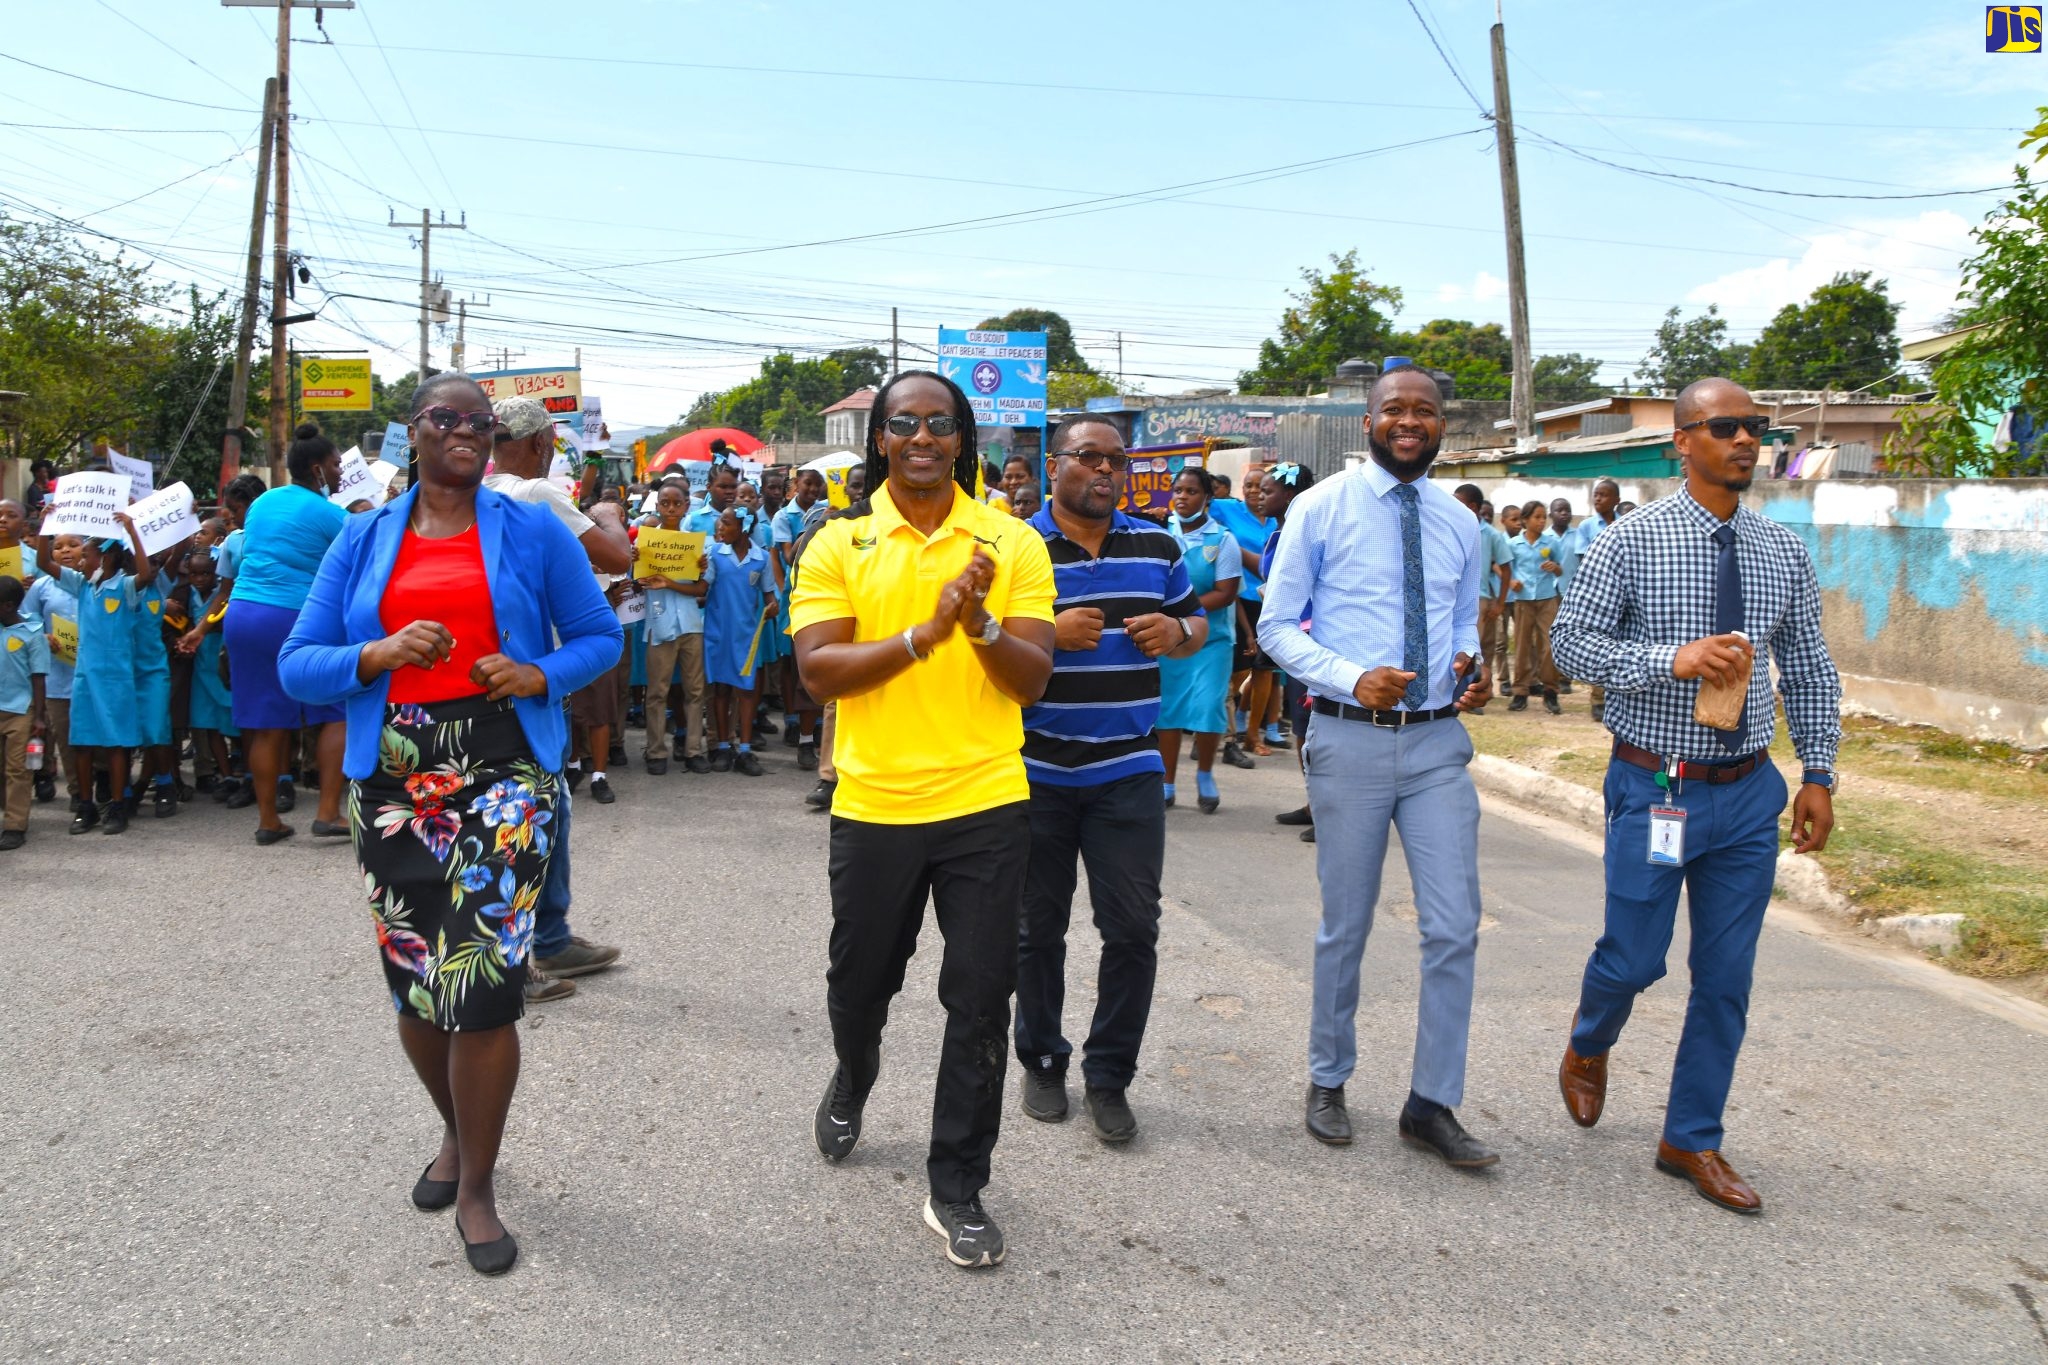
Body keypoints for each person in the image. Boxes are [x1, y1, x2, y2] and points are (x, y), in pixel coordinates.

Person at [278, 372, 622, 1276]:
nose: (466, 431)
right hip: (391, 780)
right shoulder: (361, 537)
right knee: (417, 986)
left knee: (483, 984)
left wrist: (538, 672)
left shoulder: (533, 526)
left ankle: (478, 1182)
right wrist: (377, 652)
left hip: (503, 774)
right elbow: (299, 664)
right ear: (414, 433)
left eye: (480, 421)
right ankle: (455, 1132)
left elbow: (598, 635)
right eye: (446, 418)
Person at [1551, 378, 1840, 1217]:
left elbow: (1812, 669)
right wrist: (1670, 659)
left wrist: (1818, 770)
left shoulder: (1783, 550)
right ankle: (1589, 1039)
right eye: (1726, 427)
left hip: (1748, 790)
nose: (1745, 440)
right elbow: (1572, 643)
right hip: (1657, 785)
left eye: (1755, 427)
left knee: (1725, 976)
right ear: (1682, 441)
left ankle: (1691, 1137)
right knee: (1636, 958)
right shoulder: (1629, 541)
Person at [791, 369, 1055, 1270]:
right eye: (903, 423)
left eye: (939, 424)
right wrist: (922, 635)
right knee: (860, 984)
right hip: (874, 804)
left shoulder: (1012, 540)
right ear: (880, 440)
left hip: (986, 801)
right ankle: (853, 1074)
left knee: (981, 998)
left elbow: (1033, 678)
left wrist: (978, 624)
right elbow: (820, 673)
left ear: (962, 439)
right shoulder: (839, 543)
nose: (921, 437)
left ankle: (958, 1183)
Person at [1258, 368, 1500, 1170]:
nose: (1408, 422)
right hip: (1350, 736)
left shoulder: (1458, 521)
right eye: (1394, 409)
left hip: (1435, 745)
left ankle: (1431, 1101)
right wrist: (1347, 674)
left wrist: (1466, 655)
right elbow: (1275, 628)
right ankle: (1328, 1077)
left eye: (1424, 411)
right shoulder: (1319, 506)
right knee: (1347, 922)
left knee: (1453, 924)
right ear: (1368, 419)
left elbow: (1463, 613)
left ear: (1441, 425)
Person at [1017, 417, 1206, 1142]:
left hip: (1128, 767)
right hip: (1034, 768)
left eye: (1115, 460)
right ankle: (1040, 1058)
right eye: (1088, 457)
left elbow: (1191, 624)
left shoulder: (1158, 543)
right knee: (1037, 928)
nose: (1104, 470)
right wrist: (1047, 634)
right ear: (1054, 464)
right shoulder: (1017, 546)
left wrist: (1177, 634)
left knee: (1132, 930)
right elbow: (981, 640)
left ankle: (1109, 1075)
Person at [486, 394, 633, 997]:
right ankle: (511, 960)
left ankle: (548, 939)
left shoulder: (481, 491)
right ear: (543, 444)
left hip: (497, 666)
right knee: (522, 816)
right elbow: (615, 554)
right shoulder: (537, 494)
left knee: (545, 809)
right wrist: (612, 514)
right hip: (530, 673)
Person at [224, 424, 349, 844]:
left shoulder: (261, 504)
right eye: (335, 465)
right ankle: (329, 813)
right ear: (317, 469)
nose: (339, 473)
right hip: (294, 618)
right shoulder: (332, 514)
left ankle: (268, 821)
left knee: (265, 723)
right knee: (336, 711)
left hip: (242, 613)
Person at [33, 515, 158, 835]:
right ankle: (86, 806)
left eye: (86, 554)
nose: (80, 560)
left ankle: (117, 805)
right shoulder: (82, 586)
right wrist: (46, 526)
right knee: (83, 743)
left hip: (116, 680)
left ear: (104, 558)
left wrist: (132, 531)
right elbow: (44, 562)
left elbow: (145, 573)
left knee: (117, 744)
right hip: (85, 678)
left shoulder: (126, 587)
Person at [1156, 468, 1241, 813]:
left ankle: (1205, 774)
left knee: (1207, 707)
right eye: (1178, 490)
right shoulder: (1160, 534)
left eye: (1191, 491)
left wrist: (1182, 611)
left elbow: (1226, 593)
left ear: (1207, 498)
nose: (1182, 497)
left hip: (1212, 640)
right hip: (1170, 640)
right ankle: (1166, 781)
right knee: (1168, 710)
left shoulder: (1223, 540)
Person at [637, 483, 712, 777]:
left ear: (685, 507)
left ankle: (694, 749)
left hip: (691, 624)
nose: (670, 508)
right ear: (657, 506)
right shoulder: (645, 545)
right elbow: (637, 583)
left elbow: (702, 588)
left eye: (676, 503)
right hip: (660, 623)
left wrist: (674, 581)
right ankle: (656, 750)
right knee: (657, 691)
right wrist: (636, 565)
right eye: (665, 503)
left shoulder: (695, 545)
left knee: (695, 690)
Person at [704, 506, 780, 776]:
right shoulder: (714, 554)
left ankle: (745, 749)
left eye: (725, 522)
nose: (719, 527)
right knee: (721, 690)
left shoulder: (760, 559)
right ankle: (724, 746)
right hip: (718, 634)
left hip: (747, 636)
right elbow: (704, 588)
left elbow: (770, 597)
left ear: (743, 528)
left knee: (747, 692)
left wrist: (772, 608)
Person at [1211, 468, 1273, 766]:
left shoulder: (1277, 519)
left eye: (1260, 486)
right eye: (1248, 485)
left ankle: (1253, 734)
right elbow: (1194, 501)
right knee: (1235, 673)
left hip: (1270, 603)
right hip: (1237, 601)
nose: (1253, 491)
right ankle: (1214, 728)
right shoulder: (1227, 509)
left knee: (1264, 672)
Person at [170, 549, 238, 793]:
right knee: (207, 723)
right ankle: (226, 775)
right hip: (199, 667)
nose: (200, 579)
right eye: (195, 574)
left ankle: (246, 770)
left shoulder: (225, 594)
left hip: (222, 665)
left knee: (233, 719)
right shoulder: (183, 594)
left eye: (206, 574)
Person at [1557, 477, 1621, 723]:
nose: (1598, 499)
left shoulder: (1625, 523)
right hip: (1599, 591)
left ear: (1616, 500)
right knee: (1600, 643)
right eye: (1595, 494)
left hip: (1622, 592)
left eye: (1603, 495)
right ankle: (1597, 699)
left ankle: (1613, 697)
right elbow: (1585, 558)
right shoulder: (1586, 527)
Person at [22, 535, 79, 807]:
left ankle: (103, 789)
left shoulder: (94, 584)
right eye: (58, 547)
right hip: (57, 676)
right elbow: (26, 619)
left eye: (73, 545)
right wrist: (41, 636)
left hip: (92, 674)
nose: (65, 550)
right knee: (64, 739)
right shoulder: (41, 587)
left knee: (96, 739)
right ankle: (78, 792)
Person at [1453, 484, 1513, 717]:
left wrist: (1500, 602)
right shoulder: (1451, 528)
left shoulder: (1490, 535)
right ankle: (1463, 694)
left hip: (1481, 599)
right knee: (1462, 650)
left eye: (1459, 502)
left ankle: (1475, 695)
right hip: (1457, 600)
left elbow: (1506, 569)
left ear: (1473, 507)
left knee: (1481, 649)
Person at [0, 573, 50, 851]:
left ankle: (14, 825)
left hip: (20, 710)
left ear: (8, 606)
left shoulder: (32, 634)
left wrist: (40, 717)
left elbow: (39, 677)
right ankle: (8, 811)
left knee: (18, 769)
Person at [1506, 499, 1563, 715]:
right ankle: (1520, 691)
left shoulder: (1551, 543)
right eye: (1537, 517)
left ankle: (1551, 691)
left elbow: (1560, 571)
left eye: (1543, 517)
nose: (1541, 522)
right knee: (1522, 646)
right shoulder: (1513, 544)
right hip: (1522, 600)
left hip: (1547, 598)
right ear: (1525, 520)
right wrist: (1511, 582)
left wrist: (1554, 567)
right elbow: (1504, 568)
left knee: (1548, 645)